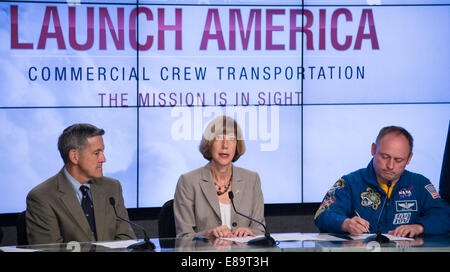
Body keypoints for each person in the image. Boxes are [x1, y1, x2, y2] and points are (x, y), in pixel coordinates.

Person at [314, 126, 449, 237]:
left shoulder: (421, 184)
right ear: (373, 149)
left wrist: (420, 227)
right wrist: (345, 223)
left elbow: (444, 215)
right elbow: (323, 214)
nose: (390, 166)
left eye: (398, 160)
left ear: (409, 158)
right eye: (385, 157)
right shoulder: (349, 182)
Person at [26, 123, 136, 244]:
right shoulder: (42, 197)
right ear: (74, 156)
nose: (103, 159)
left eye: (102, 152)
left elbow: (126, 239)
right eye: (96, 153)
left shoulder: (112, 187)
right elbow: (50, 249)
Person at [174, 116, 265, 238]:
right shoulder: (188, 181)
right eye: (218, 138)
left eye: (232, 139)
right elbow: (183, 236)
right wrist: (208, 234)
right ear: (209, 143)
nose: (225, 145)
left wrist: (250, 232)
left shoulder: (252, 180)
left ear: (237, 145)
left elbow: (260, 230)